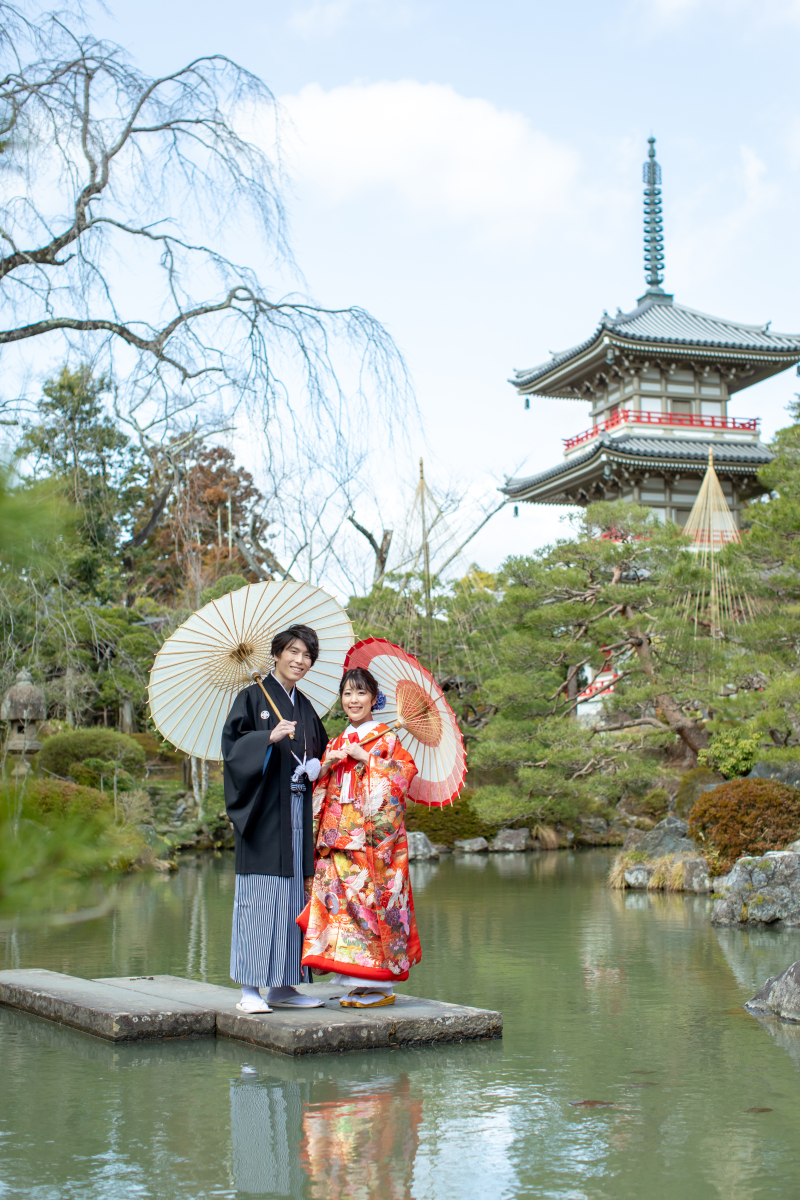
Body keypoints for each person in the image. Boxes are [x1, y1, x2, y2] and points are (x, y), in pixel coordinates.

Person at [222, 623, 329, 1014]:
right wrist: (266, 738)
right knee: (260, 898)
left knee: (293, 900)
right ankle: (250, 989)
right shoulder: (251, 698)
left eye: (307, 656)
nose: (300, 661)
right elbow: (232, 750)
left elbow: (321, 748)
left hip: (298, 814)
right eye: (294, 652)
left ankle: (284, 987)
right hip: (264, 814)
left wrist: (319, 764)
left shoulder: (305, 707)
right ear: (277, 653)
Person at [301, 666, 421, 1008]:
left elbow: (403, 776)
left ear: (373, 698)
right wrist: (327, 764)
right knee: (340, 910)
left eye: (361, 693)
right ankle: (357, 981)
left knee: (369, 908)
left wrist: (366, 758)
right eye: (348, 693)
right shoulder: (337, 740)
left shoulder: (386, 738)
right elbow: (319, 786)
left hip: (370, 843)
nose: (353, 700)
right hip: (335, 839)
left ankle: (380, 984)